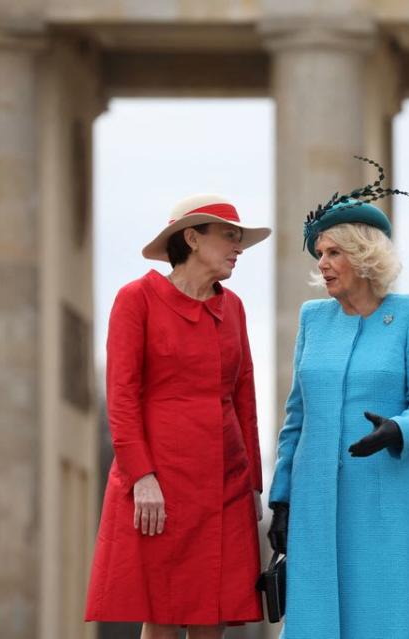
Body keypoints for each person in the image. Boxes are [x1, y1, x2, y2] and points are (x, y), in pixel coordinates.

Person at [267, 160, 409, 639]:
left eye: (332, 253)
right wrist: (281, 501)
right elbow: (295, 419)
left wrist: (396, 429)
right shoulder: (313, 319)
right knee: (319, 623)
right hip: (316, 500)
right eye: (318, 254)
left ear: (363, 256)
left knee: (390, 618)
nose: (321, 264)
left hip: (387, 494)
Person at [85, 195, 271, 638]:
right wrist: (141, 477)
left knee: (214, 614)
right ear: (191, 237)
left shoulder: (235, 309)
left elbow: (245, 399)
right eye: (229, 236)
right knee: (162, 613)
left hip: (225, 482)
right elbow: (122, 397)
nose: (238, 247)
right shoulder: (136, 300)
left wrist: (253, 486)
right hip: (160, 484)